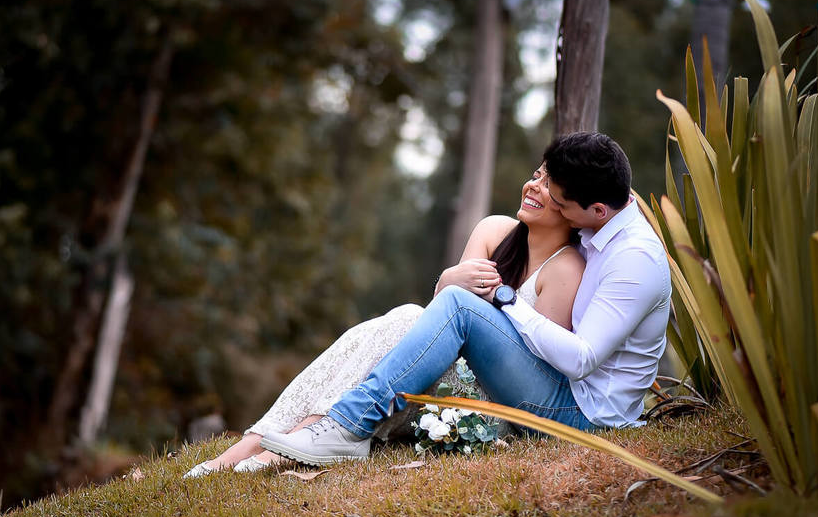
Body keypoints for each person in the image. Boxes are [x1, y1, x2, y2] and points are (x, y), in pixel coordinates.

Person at [259, 132, 671, 466]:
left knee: (459, 307)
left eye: (563, 206)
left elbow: (582, 359)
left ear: (598, 209)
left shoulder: (634, 260)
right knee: (416, 313)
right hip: (563, 392)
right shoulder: (600, 225)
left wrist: (507, 299)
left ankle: (348, 426)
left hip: (583, 418)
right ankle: (331, 425)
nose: (559, 213)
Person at [184, 160, 585, 476]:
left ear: (572, 208)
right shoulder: (495, 229)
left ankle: (283, 444)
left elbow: (528, 361)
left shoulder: (565, 270)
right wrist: (448, 279)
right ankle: (255, 445)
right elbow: (441, 321)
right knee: (397, 322)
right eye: (536, 176)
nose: (534, 186)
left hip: (490, 400)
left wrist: (458, 291)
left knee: (404, 319)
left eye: (549, 185)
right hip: (437, 365)